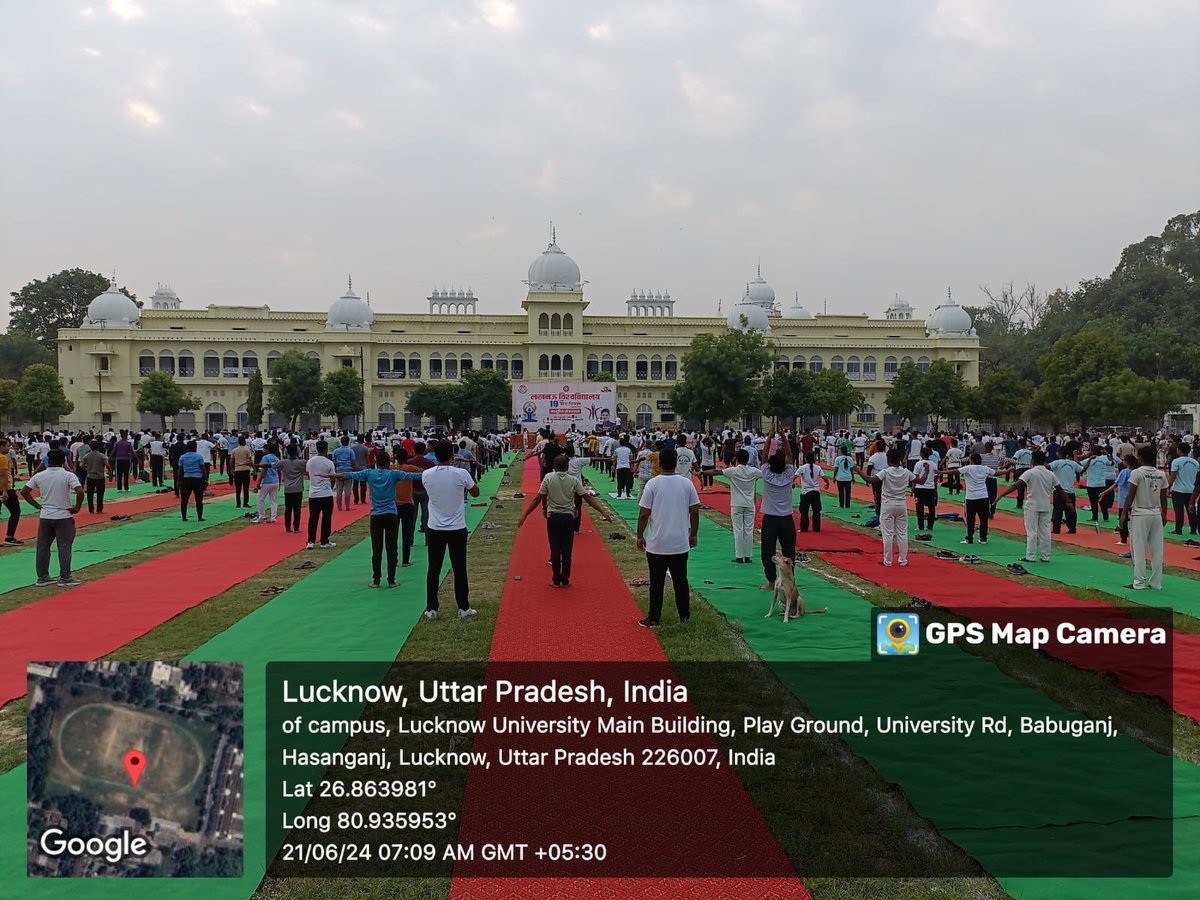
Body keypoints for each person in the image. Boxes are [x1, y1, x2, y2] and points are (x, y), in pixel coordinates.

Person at [517, 454, 613, 587]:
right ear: (567, 466)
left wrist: (525, 515)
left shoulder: (548, 478)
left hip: (553, 517)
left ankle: (556, 580)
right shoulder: (573, 480)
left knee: (555, 548)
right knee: (567, 549)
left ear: (554, 466)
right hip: (568, 517)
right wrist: (603, 512)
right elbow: (587, 498)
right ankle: (565, 579)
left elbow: (537, 498)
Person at [635, 447, 700, 627]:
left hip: (657, 544)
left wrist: (640, 535)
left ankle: (654, 617)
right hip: (679, 543)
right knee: (681, 581)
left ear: (660, 463)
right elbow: (694, 511)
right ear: (676, 463)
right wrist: (694, 533)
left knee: (657, 583)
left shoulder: (653, 484)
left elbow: (644, 514)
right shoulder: (686, 483)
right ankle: (684, 616)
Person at [340, 450, 424, 588]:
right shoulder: (394, 474)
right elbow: (415, 476)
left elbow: (349, 474)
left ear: (376, 462)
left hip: (376, 516)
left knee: (376, 549)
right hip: (391, 514)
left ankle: (376, 580)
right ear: (388, 463)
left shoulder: (369, 473)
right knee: (392, 548)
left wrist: (329, 475)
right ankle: (391, 580)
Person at [422, 440, 480, 621]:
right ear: (453, 455)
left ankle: (432, 608)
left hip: (435, 527)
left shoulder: (427, 474)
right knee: (459, 568)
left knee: (434, 568)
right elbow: (475, 492)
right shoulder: (461, 473)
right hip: (456, 528)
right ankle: (463, 607)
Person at [20, 449, 84, 587]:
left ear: (48, 460)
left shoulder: (40, 475)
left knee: (43, 547)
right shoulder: (68, 475)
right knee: (64, 547)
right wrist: (77, 507)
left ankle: (42, 577)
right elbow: (80, 491)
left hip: (45, 515)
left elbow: (24, 492)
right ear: (63, 461)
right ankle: (65, 577)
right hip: (63, 515)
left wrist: (37, 505)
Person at [855, 447, 916, 566]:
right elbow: (920, 481)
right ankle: (903, 560)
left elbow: (870, 479)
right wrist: (927, 471)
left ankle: (887, 561)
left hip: (888, 505)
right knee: (902, 533)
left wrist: (858, 470)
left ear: (888, 460)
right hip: (901, 505)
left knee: (887, 534)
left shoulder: (886, 472)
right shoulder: (906, 472)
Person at [995, 449, 1057, 562]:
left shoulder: (1030, 472)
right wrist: (1068, 501)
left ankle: (1030, 556)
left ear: (1033, 461)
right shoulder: (1050, 474)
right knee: (1045, 532)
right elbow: (1060, 489)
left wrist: (1001, 495)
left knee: (1032, 532)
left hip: (1032, 505)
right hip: (1045, 505)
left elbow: (1016, 485)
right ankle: (1045, 556)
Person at [1121, 444, 1168, 591]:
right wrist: (1164, 514)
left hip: (1140, 514)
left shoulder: (1137, 473)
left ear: (1140, 458)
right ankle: (1156, 583)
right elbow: (1164, 497)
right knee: (1157, 550)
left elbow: (1130, 495)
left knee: (1138, 549)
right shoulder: (1161, 474)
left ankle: (1139, 582)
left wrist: (1123, 513)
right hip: (1156, 514)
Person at [759, 428, 796, 589]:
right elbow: (789, 455)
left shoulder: (767, 474)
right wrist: (783, 437)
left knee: (768, 550)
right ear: (785, 465)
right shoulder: (789, 474)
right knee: (789, 551)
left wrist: (769, 437)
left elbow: (764, 456)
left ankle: (771, 581)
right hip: (787, 518)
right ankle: (790, 580)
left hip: (770, 518)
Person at [305, 439, 337, 549]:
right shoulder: (329, 462)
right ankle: (324, 541)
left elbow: (309, 475)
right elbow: (333, 478)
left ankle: (311, 541)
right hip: (326, 493)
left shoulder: (310, 461)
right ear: (326, 449)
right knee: (326, 518)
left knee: (313, 518)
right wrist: (330, 487)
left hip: (313, 494)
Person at [958, 452, 996, 545]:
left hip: (971, 498)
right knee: (984, 519)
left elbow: (955, 471)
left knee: (970, 519)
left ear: (971, 460)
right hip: (983, 497)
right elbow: (996, 473)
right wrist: (1008, 470)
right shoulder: (985, 468)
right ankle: (983, 539)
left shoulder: (968, 468)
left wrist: (940, 472)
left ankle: (969, 539)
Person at [1167, 444, 1199, 535]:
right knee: (1191, 509)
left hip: (1179, 490)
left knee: (1179, 510)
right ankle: (1193, 529)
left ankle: (1178, 529)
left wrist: (1168, 487)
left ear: (1179, 450)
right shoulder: (1195, 462)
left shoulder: (1176, 461)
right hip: (1192, 490)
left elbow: (1173, 476)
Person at [796, 451, 830, 533]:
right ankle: (816, 528)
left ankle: (804, 528)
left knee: (804, 511)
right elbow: (824, 477)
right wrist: (827, 483)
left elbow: (794, 476)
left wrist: (792, 483)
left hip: (805, 492)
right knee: (816, 511)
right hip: (815, 492)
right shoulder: (818, 468)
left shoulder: (802, 468)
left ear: (805, 459)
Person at [1081, 446, 1117, 523]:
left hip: (1091, 484)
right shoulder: (1104, 459)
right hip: (1102, 483)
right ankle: (1106, 517)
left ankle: (1095, 517)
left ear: (1092, 452)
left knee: (1093, 502)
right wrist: (1107, 455)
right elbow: (1112, 463)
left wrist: (1089, 459)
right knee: (1102, 501)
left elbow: (1080, 466)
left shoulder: (1089, 460)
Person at [279, 443, 307, 533]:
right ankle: (296, 527)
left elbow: (271, 465)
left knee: (288, 509)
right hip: (298, 489)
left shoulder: (283, 463)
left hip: (288, 489)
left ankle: (287, 527)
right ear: (297, 452)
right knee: (297, 509)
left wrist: (256, 465)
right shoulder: (302, 463)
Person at [912, 446, 940, 535]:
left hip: (919, 488)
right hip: (930, 488)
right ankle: (930, 526)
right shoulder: (933, 464)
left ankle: (921, 526)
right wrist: (935, 488)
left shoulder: (918, 464)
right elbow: (935, 478)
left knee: (919, 507)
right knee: (931, 507)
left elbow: (915, 477)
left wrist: (913, 488)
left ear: (921, 454)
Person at [177, 441, 207, 521]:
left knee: (184, 499)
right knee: (199, 499)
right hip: (197, 479)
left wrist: (179, 480)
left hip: (186, 478)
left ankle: (184, 517)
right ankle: (199, 517)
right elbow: (202, 469)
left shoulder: (182, 457)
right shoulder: (199, 457)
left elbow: (180, 470)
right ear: (195, 447)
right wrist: (205, 479)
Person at [0, 437, 22, 545]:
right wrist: (5, 491)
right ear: (1, 446)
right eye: (8, 446)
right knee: (15, 511)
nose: (9, 448)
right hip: (6, 489)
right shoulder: (2, 458)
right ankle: (9, 537)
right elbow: (3, 475)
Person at [254, 444, 282, 523]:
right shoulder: (276, 458)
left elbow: (264, 470)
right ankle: (273, 517)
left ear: (267, 449)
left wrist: (259, 482)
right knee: (274, 501)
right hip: (275, 481)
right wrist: (279, 482)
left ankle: (262, 517)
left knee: (260, 499)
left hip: (267, 481)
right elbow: (279, 471)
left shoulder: (265, 458)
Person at [80, 439, 109, 514]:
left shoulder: (86, 456)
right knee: (100, 493)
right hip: (100, 476)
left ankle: (91, 509)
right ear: (98, 446)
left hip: (90, 476)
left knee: (90, 494)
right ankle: (99, 509)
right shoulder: (102, 456)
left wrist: (87, 469)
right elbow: (107, 465)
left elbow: (81, 465)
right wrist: (110, 471)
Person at [331, 435, 356, 511]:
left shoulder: (336, 451)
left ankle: (339, 506)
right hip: (348, 470)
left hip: (339, 471)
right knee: (347, 490)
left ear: (341, 442)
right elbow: (353, 461)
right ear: (348, 442)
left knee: (339, 489)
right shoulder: (350, 451)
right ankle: (347, 506)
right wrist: (353, 467)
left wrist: (337, 464)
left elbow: (333, 461)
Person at [230, 435, 254, 508]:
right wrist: (254, 468)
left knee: (238, 488)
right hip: (245, 469)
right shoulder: (247, 450)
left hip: (237, 470)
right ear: (244, 442)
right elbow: (250, 460)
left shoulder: (234, 450)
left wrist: (232, 469)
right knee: (246, 488)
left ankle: (238, 503)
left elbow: (231, 461)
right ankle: (245, 503)